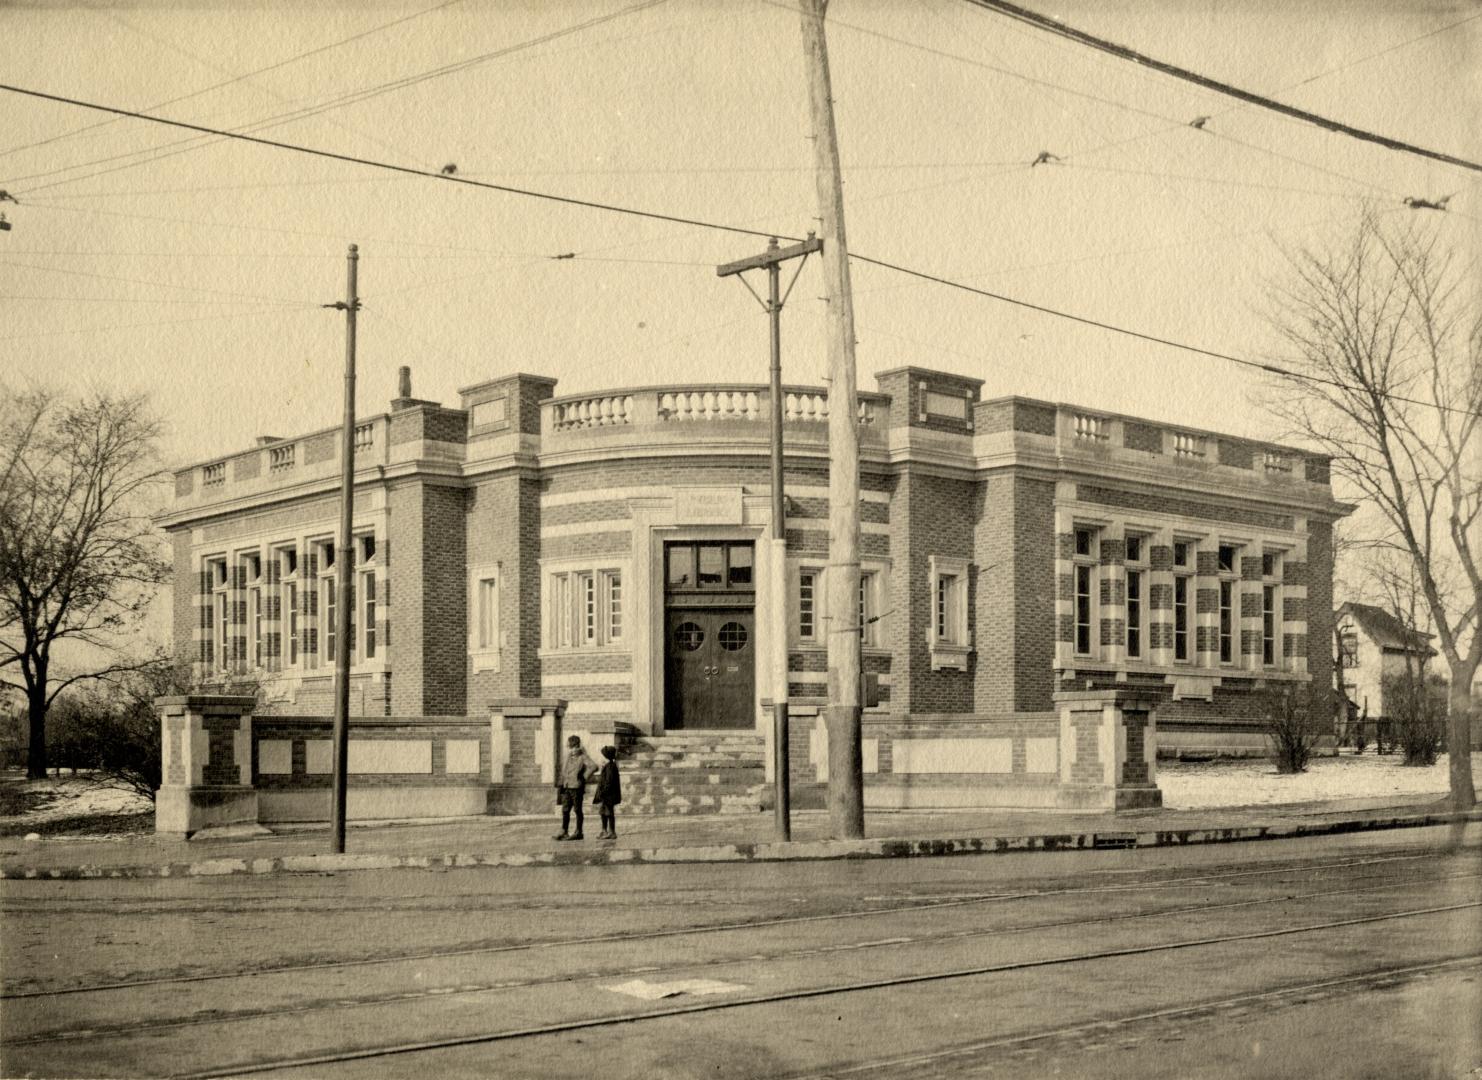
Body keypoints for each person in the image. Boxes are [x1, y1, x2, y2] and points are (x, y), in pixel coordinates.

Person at [554, 734, 599, 841]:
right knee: (565, 810)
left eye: (574, 747)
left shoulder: (583, 757)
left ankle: (579, 832)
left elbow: (594, 766)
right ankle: (564, 831)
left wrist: (583, 777)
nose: (573, 749)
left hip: (576, 787)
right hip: (567, 786)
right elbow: (564, 770)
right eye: (571, 747)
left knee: (577, 809)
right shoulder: (568, 757)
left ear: (578, 746)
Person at [592, 745, 622, 840]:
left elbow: (608, 782)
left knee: (609, 813)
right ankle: (604, 830)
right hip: (606, 794)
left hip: (608, 795)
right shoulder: (608, 766)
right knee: (603, 812)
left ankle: (611, 831)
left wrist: (603, 792)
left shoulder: (610, 767)